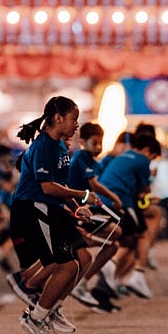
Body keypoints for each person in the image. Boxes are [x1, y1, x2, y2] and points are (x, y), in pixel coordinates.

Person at [9, 96, 99, 334]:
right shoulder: (44, 146)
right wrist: (83, 195)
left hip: (52, 208)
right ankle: (35, 316)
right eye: (74, 119)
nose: (77, 125)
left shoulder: (60, 145)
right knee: (66, 264)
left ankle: (52, 305)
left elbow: (61, 186)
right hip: (34, 208)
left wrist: (76, 207)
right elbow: (47, 188)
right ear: (58, 118)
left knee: (85, 257)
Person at [92, 131, 161, 300]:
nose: (150, 161)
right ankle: (137, 274)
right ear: (147, 151)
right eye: (152, 157)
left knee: (129, 239)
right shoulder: (142, 160)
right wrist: (150, 181)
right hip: (120, 202)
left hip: (106, 202)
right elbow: (145, 189)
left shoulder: (123, 157)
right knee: (143, 234)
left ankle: (113, 266)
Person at [67, 122, 124, 313]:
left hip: (83, 209)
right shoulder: (82, 157)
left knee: (113, 244)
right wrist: (115, 198)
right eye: (95, 143)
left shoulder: (91, 160)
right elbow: (94, 185)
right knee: (115, 233)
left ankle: (86, 278)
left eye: (101, 143)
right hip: (75, 211)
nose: (99, 147)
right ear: (82, 142)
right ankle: (81, 255)